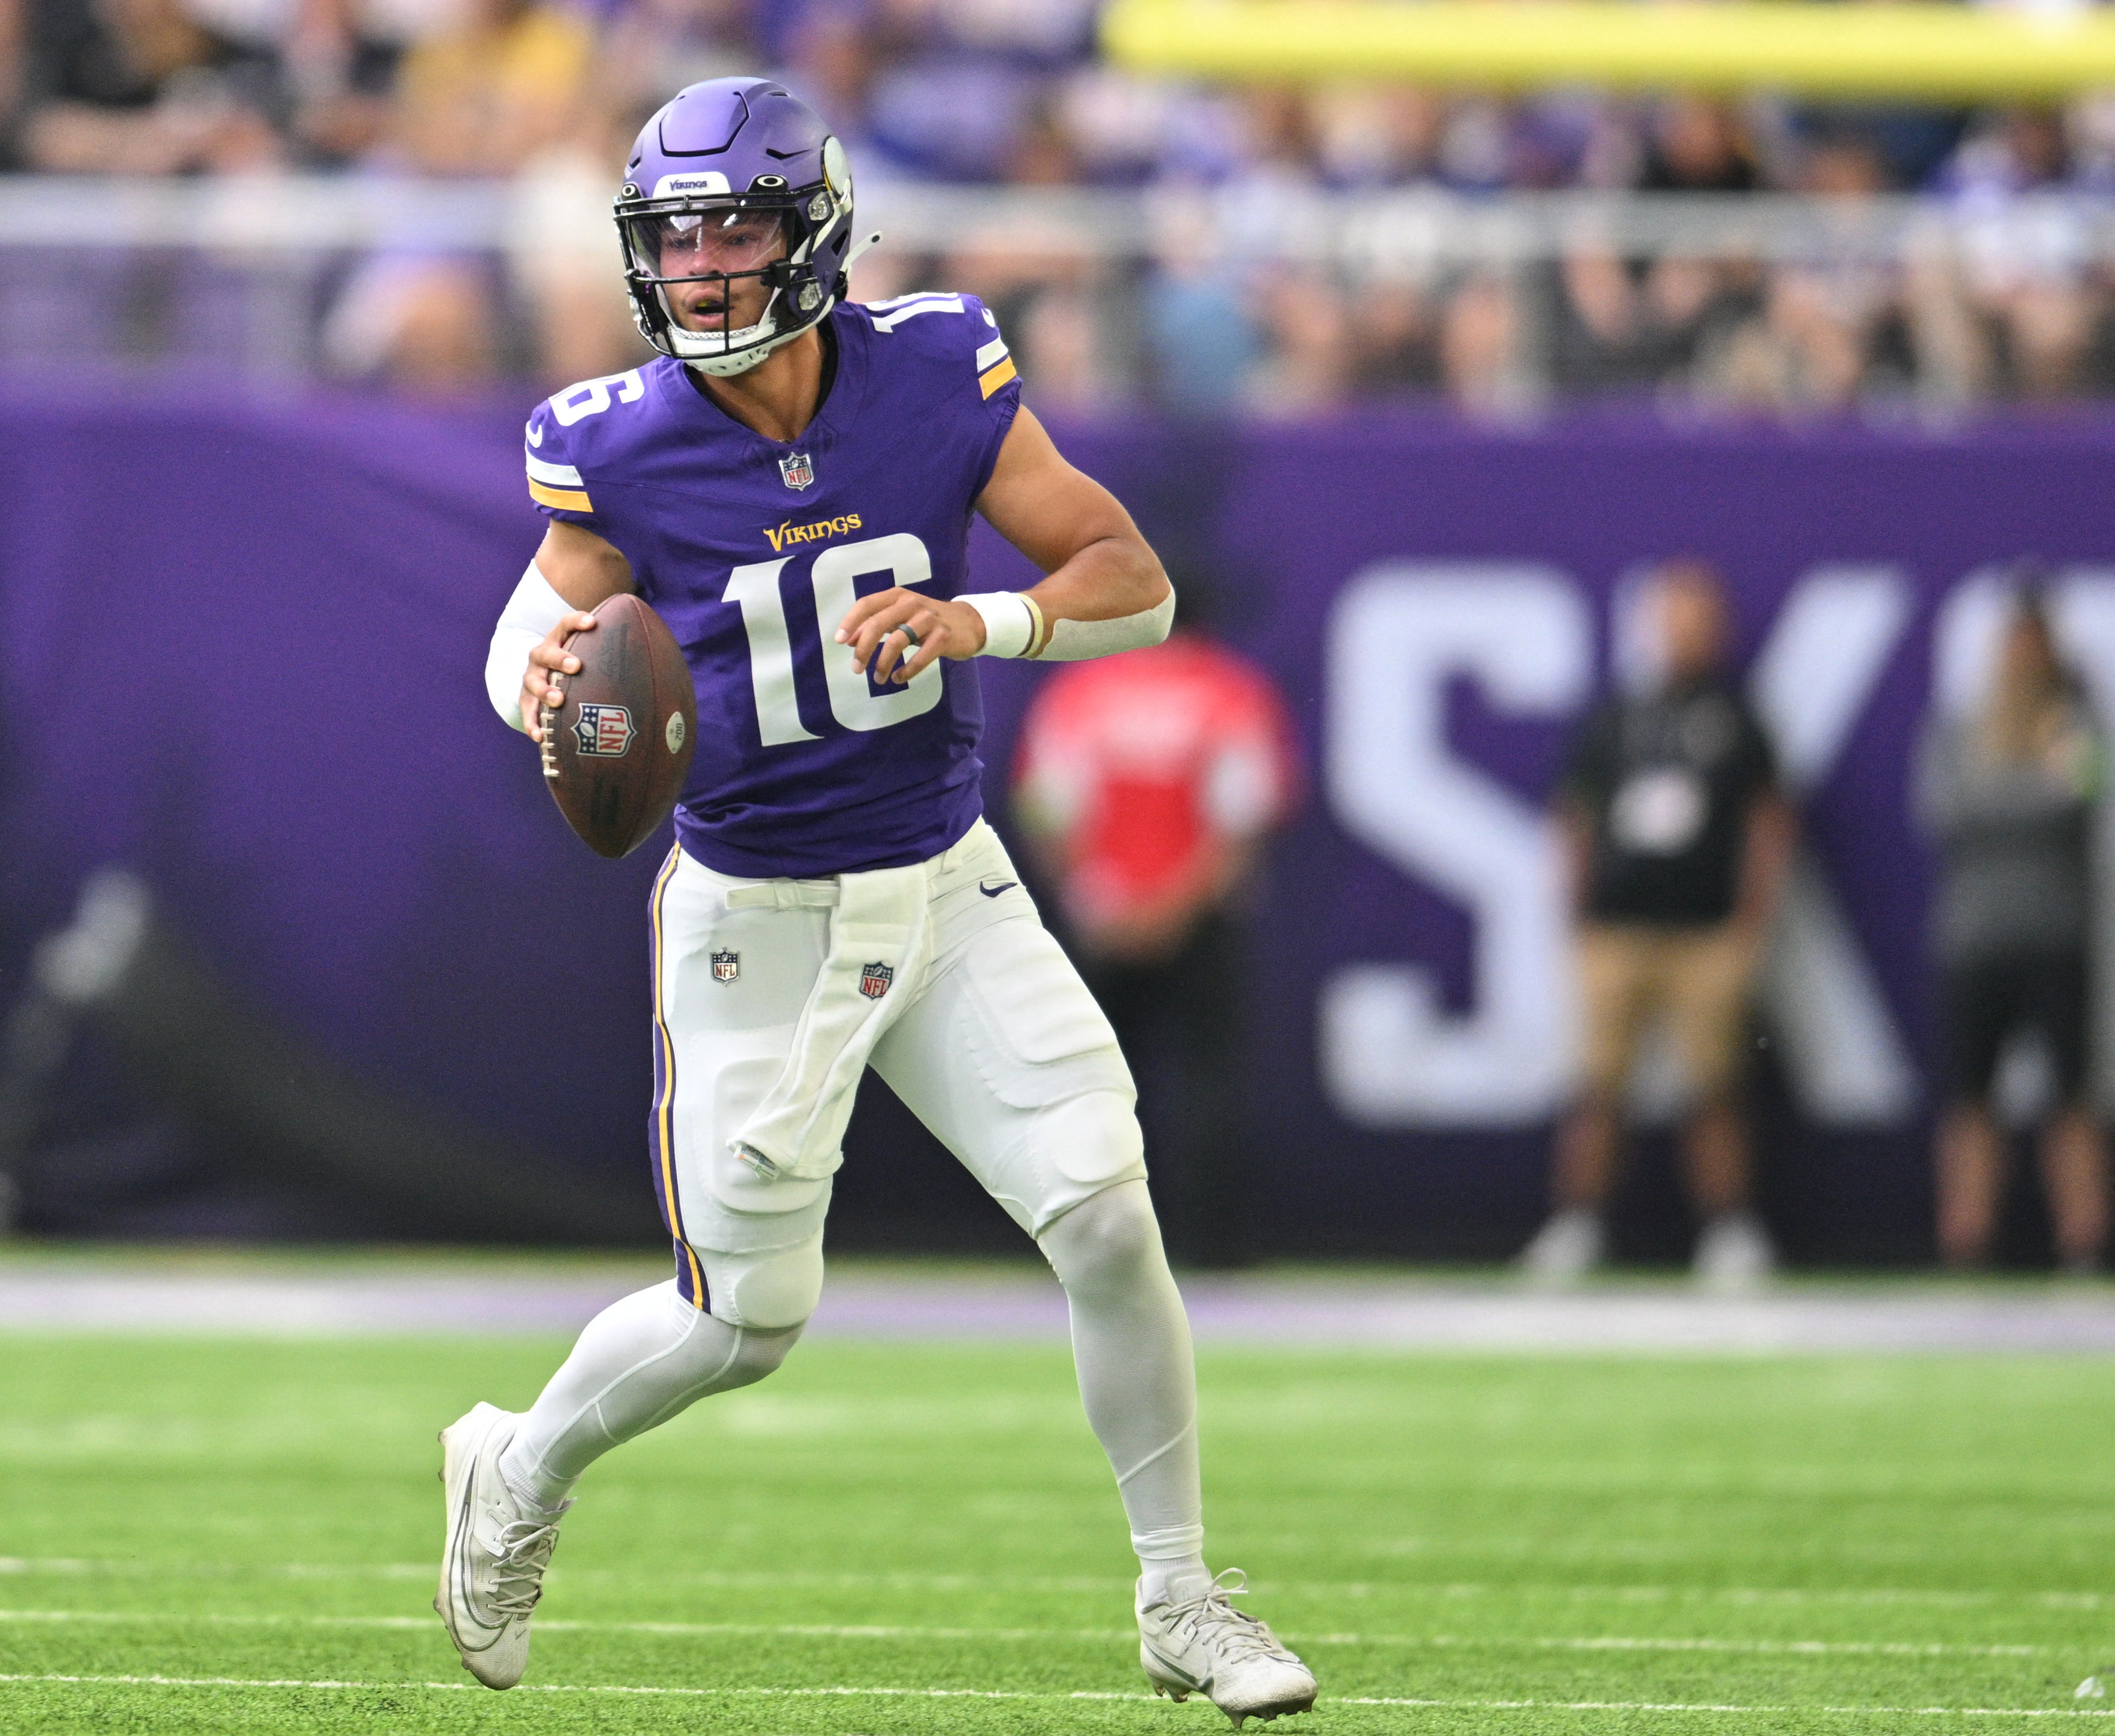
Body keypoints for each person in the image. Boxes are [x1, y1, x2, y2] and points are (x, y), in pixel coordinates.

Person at [454, 76, 1318, 1725]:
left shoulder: (931, 370)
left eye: (736, 230)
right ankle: (517, 1459)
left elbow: (1130, 578)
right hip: (755, 907)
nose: (702, 271)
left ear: (819, 231)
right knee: (747, 1319)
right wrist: (543, 686)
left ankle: (1180, 1589)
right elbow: (526, 643)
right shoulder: (620, 439)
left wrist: (975, 620)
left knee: (1105, 1210)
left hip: (943, 875)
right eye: (676, 239)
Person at [1522, 560, 1793, 1291]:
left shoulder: (1738, 715)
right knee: (1598, 1085)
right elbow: (1575, 815)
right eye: (1675, 615)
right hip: (1619, 925)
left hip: (1705, 929)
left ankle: (1729, 1225)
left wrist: (1748, 919)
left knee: (1715, 1085)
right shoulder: (1620, 713)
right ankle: (1578, 1220)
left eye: (1698, 616)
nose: (1685, 632)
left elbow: (1769, 822)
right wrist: (1576, 913)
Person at [1011, 591, 1302, 1267]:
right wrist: (1173, 908)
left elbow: (1045, 807)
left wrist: (1095, 896)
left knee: (1083, 1087)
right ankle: (1209, 1245)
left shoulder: (1082, 688)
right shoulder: (1229, 690)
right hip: (1199, 922)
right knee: (1208, 1085)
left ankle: (1078, 1241)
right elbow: (1243, 819)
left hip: (1100, 913)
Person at [1917, 589, 2109, 1275]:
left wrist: (2010, 793)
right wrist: (2032, 790)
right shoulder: (1960, 727)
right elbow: (1945, 810)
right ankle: (1966, 1237)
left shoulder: (2076, 722)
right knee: (1971, 1096)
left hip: (2057, 936)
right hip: (1974, 938)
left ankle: (2083, 1238)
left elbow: (2076, 802)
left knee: (2072, 1094)